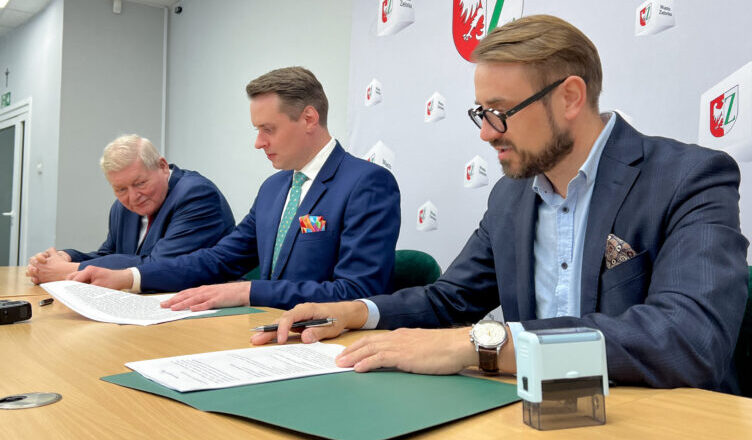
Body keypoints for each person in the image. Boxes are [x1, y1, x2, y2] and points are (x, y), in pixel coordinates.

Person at [253, 16, 749, 393]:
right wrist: (354, 311)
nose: (487, 134)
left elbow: (689, 338)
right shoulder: (511, 194)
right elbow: (449, 300)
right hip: (527, 412)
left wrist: (480, 344)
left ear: (570, 97)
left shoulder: (688, 177)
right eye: (481, 113)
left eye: (500, 112)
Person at [69, 67, 401, 310]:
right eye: (257, 130)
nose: (259, 143)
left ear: (309, 119)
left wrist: (247, 292)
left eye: (268, 129)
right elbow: (219, 259)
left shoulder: (366, 183)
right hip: (266, 332)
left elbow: (357, 292)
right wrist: (131, 277)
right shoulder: (273, 188)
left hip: (326, 343)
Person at [26, 135, 235, 284]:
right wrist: (66, 258)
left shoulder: (196, 194)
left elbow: (160, 265)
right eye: (121, 189)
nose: (133, 197)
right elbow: (109, 254)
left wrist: (66, 271)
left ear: (162, 166)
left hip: (206, 309)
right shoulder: (122, 206)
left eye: (140, 183)